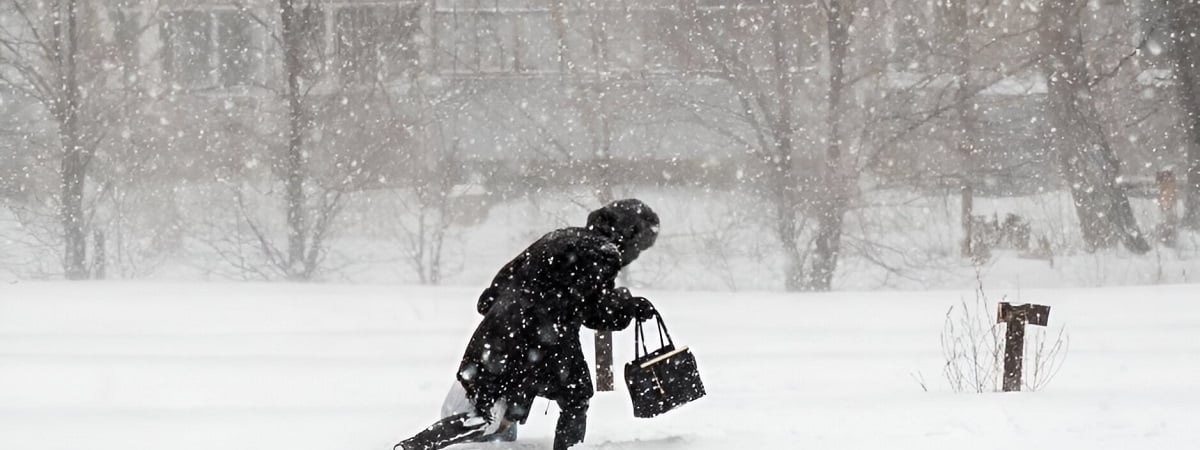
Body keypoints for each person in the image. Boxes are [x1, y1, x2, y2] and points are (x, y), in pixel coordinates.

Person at [395, 199, 661, 450]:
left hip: (501, 329)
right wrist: (628, 306)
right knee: (576, 398)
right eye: (640, 246)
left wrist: (504, 313)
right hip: (546, 337)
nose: (636, 254)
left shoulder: (559, 236)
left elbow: (499, 284)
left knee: (492, 410)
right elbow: (591, 309)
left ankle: (416, 445)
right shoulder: (604, 253)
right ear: (630, 236)